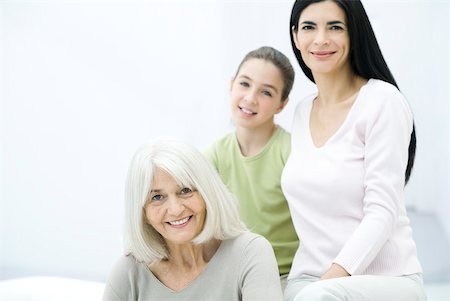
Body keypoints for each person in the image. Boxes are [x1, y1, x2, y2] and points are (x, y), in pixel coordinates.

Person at [281, 1, 426, 300]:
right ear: (296, 36)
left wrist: (326, 283)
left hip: (385, 280)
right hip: (310, 280)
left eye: (335, 27)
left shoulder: (382, 101)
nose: (320, 38)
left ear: (353, 34)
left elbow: (382, 211)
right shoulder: (301, 111)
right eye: (309, 27)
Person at [102, 139, 283, 301]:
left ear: (207, 194)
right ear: (143, 213)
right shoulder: (129, 272)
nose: (175, 209)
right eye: (157, 198)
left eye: (186, 190)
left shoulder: (250, 253)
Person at [204, 46, 299, 287]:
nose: (250, 98)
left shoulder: (291, 152)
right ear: (231, 84)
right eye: (244, 84)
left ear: (281, 104)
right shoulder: (214, 154)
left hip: (285, 275)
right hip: (234, 274)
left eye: (266, 92)